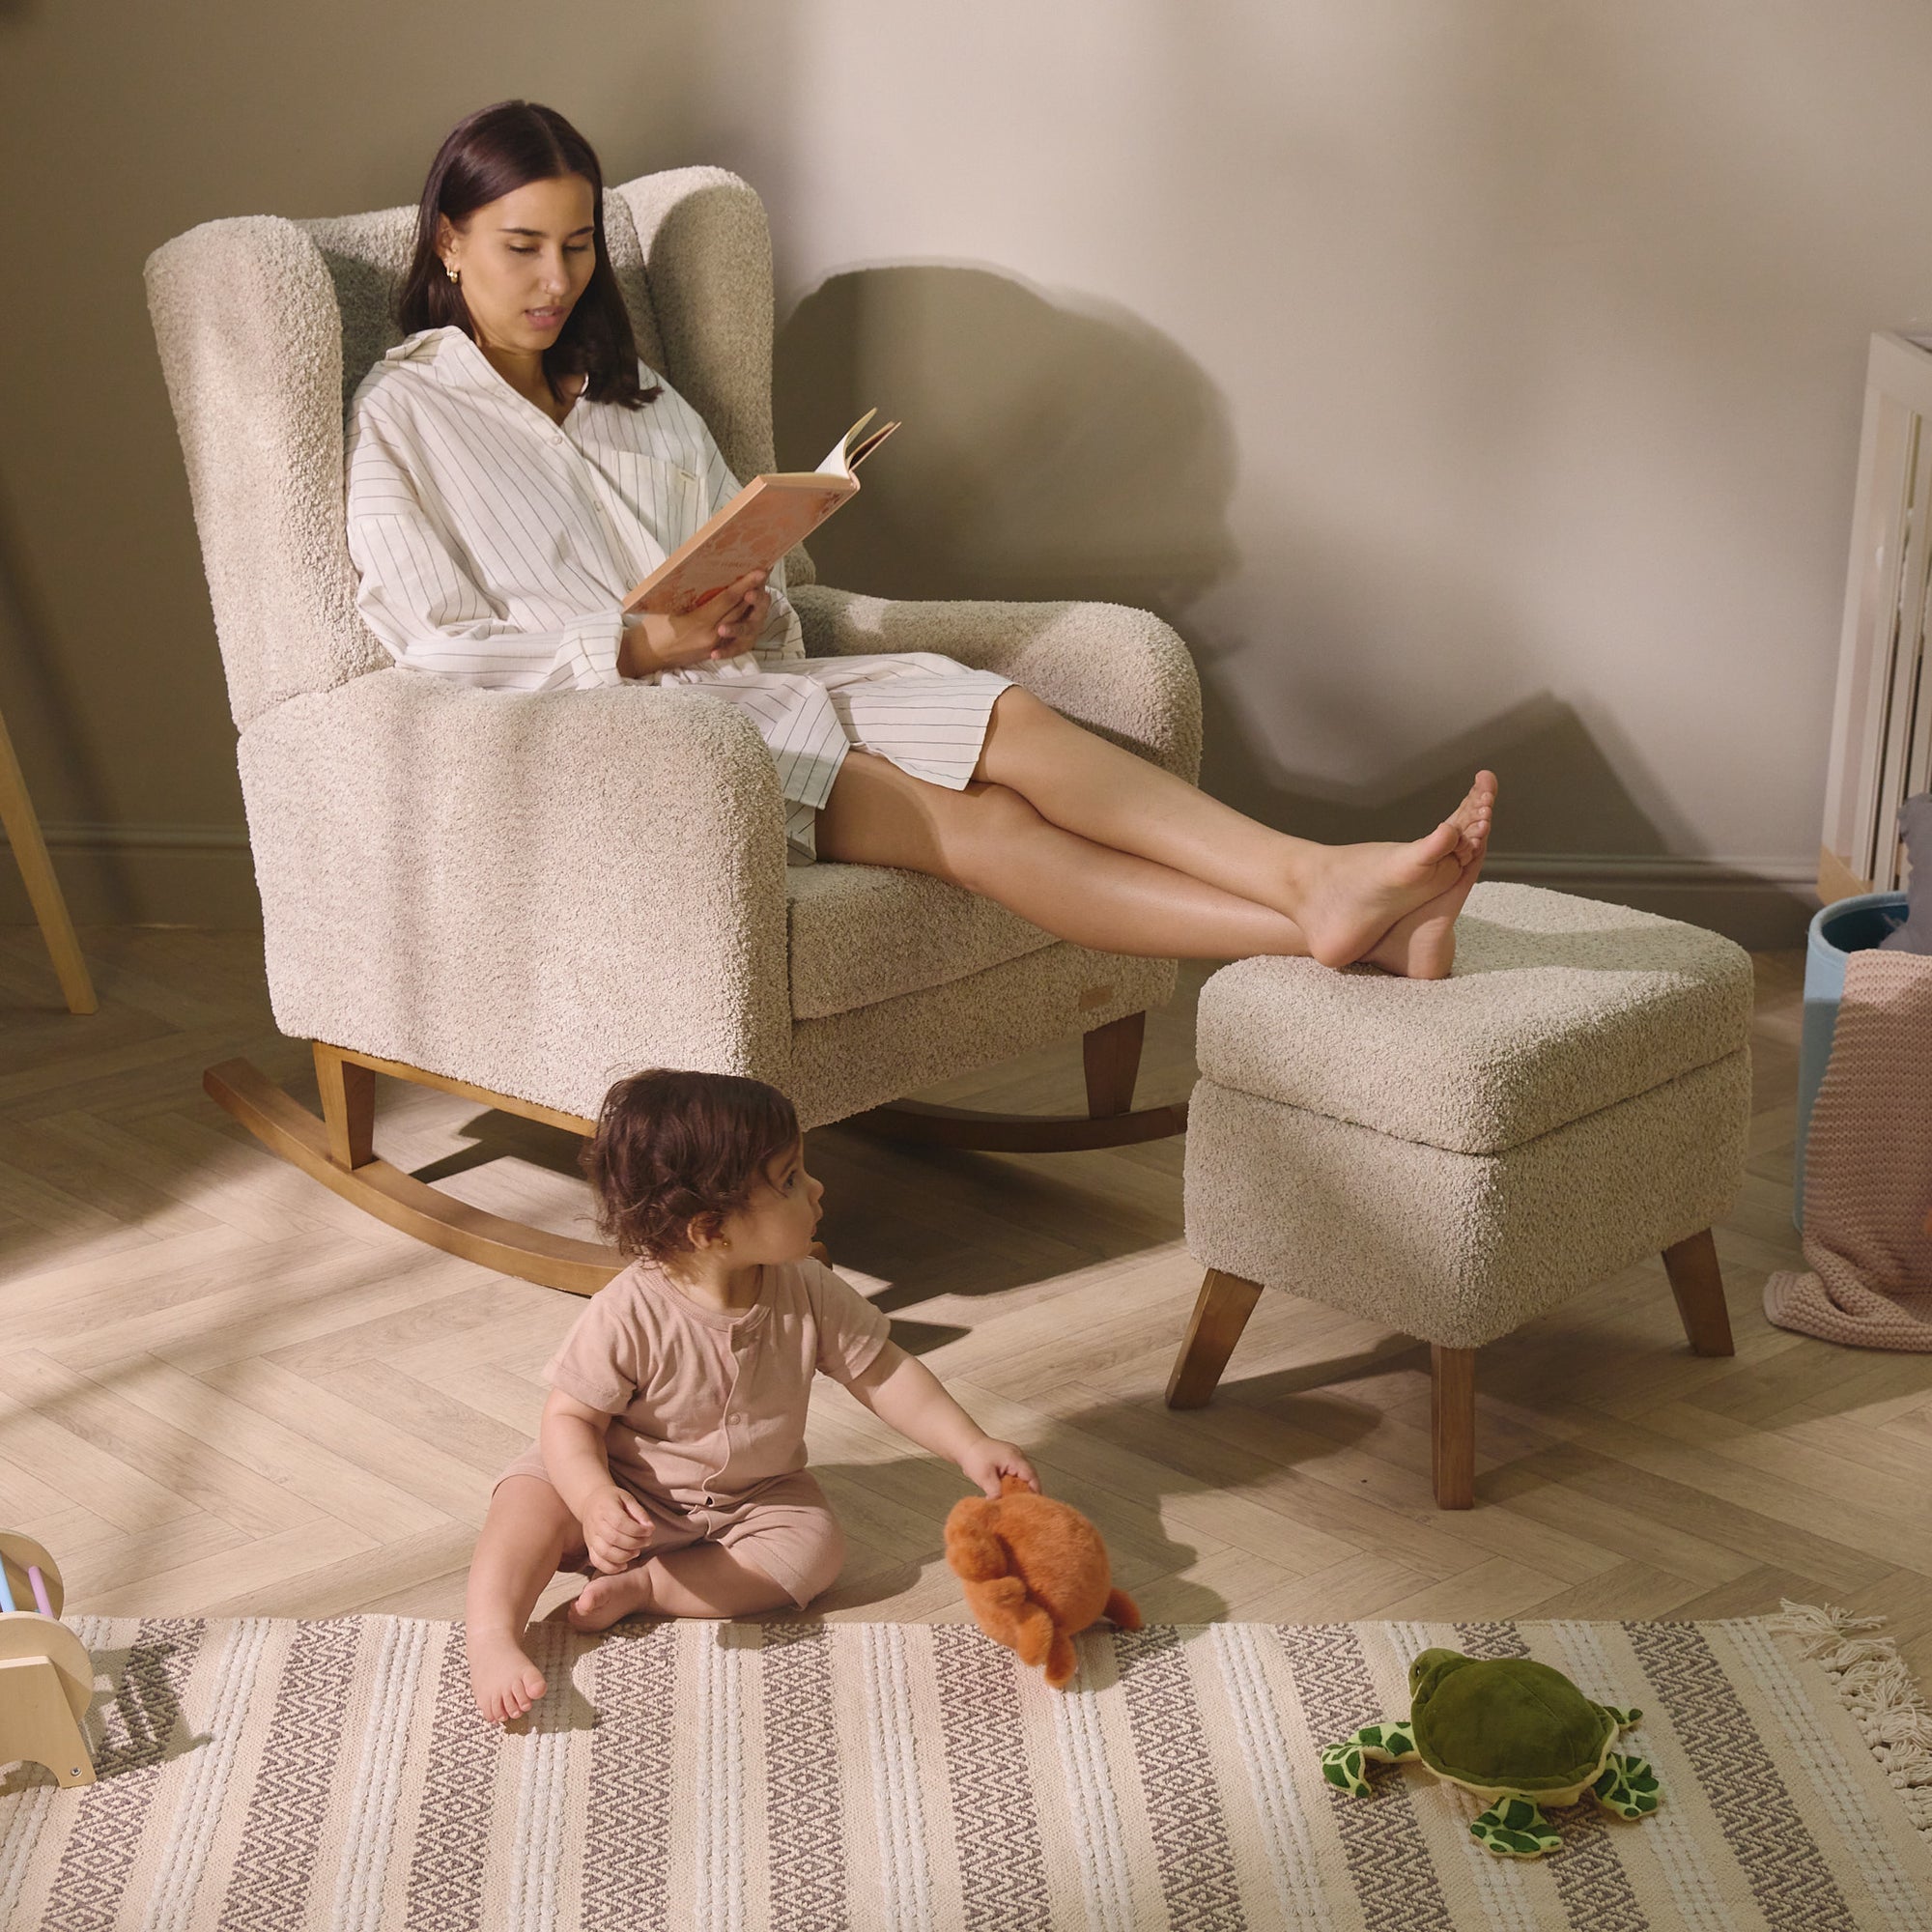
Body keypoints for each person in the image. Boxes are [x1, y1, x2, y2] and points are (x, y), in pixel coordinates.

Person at [347, 99, 1495, 979]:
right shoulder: (405, 412)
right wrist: (640, 646)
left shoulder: (632, 393)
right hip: (648, 745)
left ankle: (1322, 885)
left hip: (761, 678)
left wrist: (749, 600)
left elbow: (743, 569)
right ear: (447, 242)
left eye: (579, 245)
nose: (557, 279)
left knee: (1012, 715)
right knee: (978, 826)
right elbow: (429, 646)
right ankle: (1323, 922)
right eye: (521, 246)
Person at [466, 1066, 1039, 1723]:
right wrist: (593, 1498)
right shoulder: (631, 1309)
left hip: (751, 1497)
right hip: (619, 1479)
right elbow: (568, 1417)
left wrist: (970, 1445)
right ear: (711, 1231)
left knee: (816, 1547)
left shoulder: (807, 1288)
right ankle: (491, 1637)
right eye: (792, 1179)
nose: (818, 1188)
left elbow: (881, 1371)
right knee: (525, 1504)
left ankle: (649, 1586)